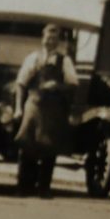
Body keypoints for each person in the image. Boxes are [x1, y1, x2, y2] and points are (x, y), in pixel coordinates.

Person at [13, 24, 78, 198]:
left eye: (54, 39)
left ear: (58, 42)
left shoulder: (64, 61)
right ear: (42, 38)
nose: (50, 41)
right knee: (27, 145)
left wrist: (58, 86)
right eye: (48, 38)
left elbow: (73, 84)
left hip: (53, 109)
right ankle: (23, 186)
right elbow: (21, 83)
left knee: (50, 148)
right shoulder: (33, 58)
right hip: (33, 104)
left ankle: (44, 188)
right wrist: (18, 107)